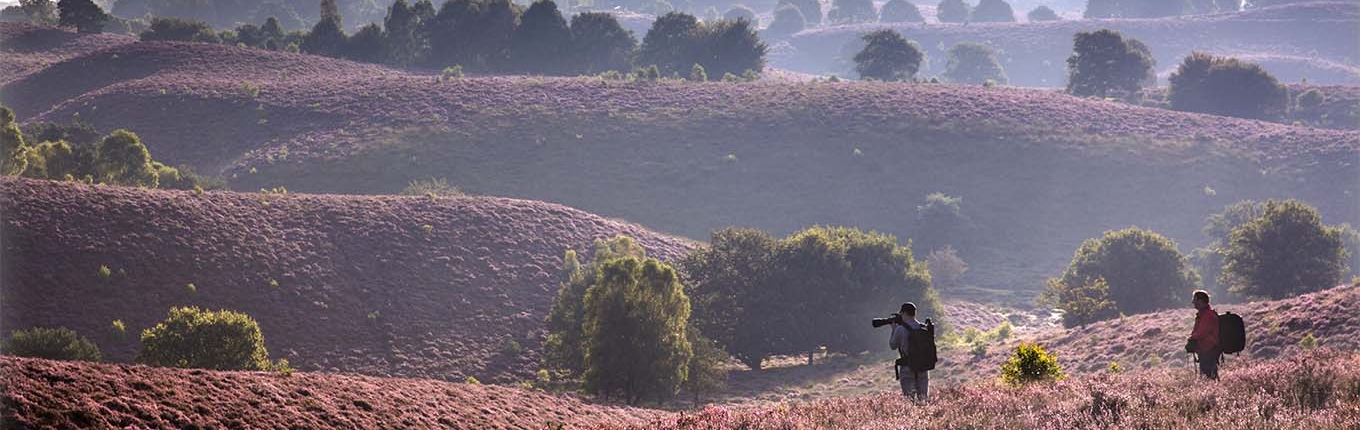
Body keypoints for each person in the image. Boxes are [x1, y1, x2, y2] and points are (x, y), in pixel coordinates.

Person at [889, 302, 929, 400]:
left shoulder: (900, 329)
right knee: (923, 400)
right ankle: (924, 415)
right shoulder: (923, 327)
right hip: (923, 367)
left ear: (904, 313)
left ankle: (911, 415)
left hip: (907, 367)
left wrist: (893, 329)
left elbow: (893, 345)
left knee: (909, 401)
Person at [1188, 290, 1221, 380]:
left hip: (1208, 349)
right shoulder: (1204, 314)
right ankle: (1214, 391)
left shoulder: (1207, 315)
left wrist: (1191, 338)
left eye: (1195, 299)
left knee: (1208, 377)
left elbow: (1202, 332)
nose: (1193, 302)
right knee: (1209, 375)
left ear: (1200, 300)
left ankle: (1213, 392)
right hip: (1205, 349)